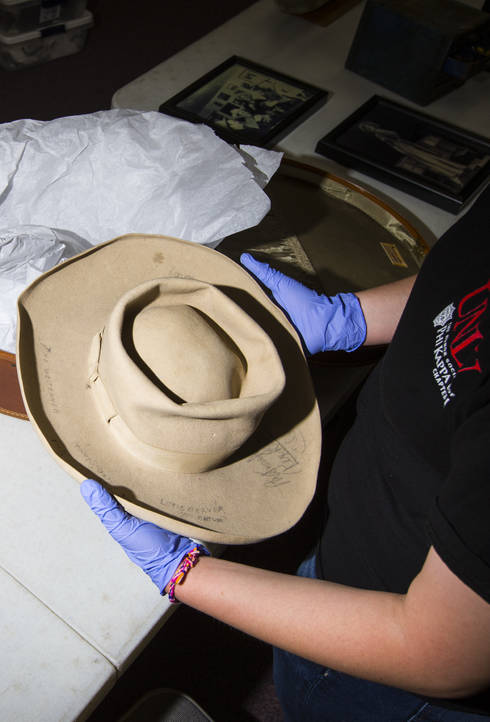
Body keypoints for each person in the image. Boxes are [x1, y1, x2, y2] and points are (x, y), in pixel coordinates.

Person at [81, 187, 490, 720]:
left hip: (397, 669)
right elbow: (464, 290)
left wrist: (186, 574)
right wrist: (354, 318)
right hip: (358, 538)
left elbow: (441, 656)